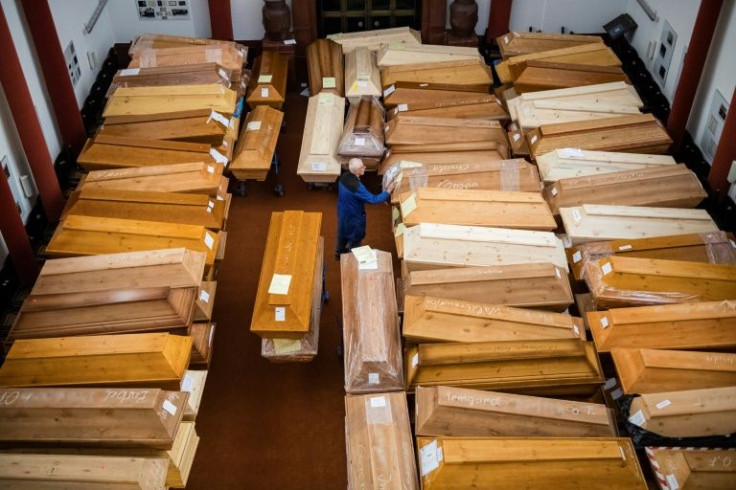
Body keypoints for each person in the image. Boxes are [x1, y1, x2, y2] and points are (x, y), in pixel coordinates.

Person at [336, 158, 395, 259]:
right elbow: (373, 199)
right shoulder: (358, 187)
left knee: (342, 233)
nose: (365, 167)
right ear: (356, 171)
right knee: (356, 239)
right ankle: (352, 258)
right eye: (362, 167)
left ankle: (339, 253)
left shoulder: (344, 177)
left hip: (342, 212)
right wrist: (388, 191)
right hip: (354, 217)